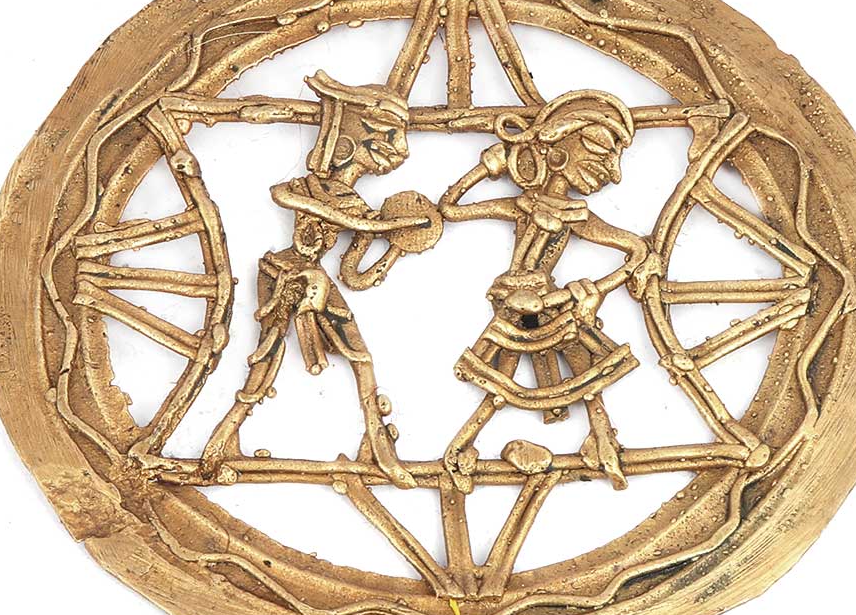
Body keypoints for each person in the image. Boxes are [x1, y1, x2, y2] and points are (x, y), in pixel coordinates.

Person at [200, 70, 441, 489]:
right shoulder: (310, 187)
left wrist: (395, 249)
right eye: (387, 135)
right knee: (266, 358)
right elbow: (281, 195)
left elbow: (353, 276)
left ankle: (378, 447)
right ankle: (221, 439)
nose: (399, 149)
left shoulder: (360, 208)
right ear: (349, 135)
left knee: (360, 357)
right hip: (286, 271)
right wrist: (367, 225)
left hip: (319, 279)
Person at [439, 90, 662, 493]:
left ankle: (602, 443)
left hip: (548, 304)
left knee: (579, 373)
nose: (612, 172)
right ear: (558, 146)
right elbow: (451, 209)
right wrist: (487, 168)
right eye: (600, 150)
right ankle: (460, 447)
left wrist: (591, 290)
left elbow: (636, 250)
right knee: (507, 381)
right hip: (516, 304)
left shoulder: (577, 216)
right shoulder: (522, 205)